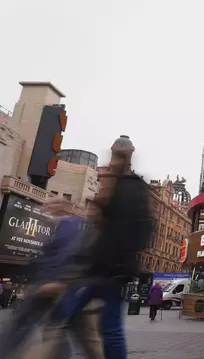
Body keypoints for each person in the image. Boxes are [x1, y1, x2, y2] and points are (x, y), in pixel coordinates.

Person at [44, 135, 155, 359]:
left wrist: (118, 259)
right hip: (98, 268)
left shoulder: (131, 187)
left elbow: (141, 229)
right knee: (72, 317)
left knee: (105, 327)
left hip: (109, 270)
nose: (114, 160)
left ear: (127, 155)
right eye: (114, 154)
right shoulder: (116, 184)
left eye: (119, 155)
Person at [0, 197, 102, 359]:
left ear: (62, 207)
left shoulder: (71, 225)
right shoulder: (61, 225)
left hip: (61, 288)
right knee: (69, 335)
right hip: (61, 288)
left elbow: (67, 255)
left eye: (51, 204)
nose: (46, 207)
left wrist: (57, 282)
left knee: (34, 327)